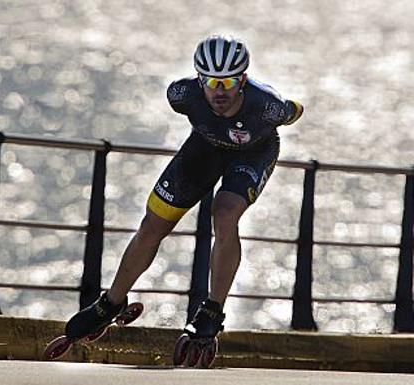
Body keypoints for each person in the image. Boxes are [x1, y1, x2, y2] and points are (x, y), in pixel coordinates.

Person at [63, 34, 304, 351]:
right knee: (153, 225)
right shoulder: (181, 95)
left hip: (252, 155)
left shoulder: (267, 106)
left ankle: (212, 310)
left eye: (229, 83)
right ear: (199, 78)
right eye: (211, 82)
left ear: (243, 80)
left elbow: (295, 109)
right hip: (204, 150)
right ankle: (110, 303)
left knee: (225, 213)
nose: (219, 92)